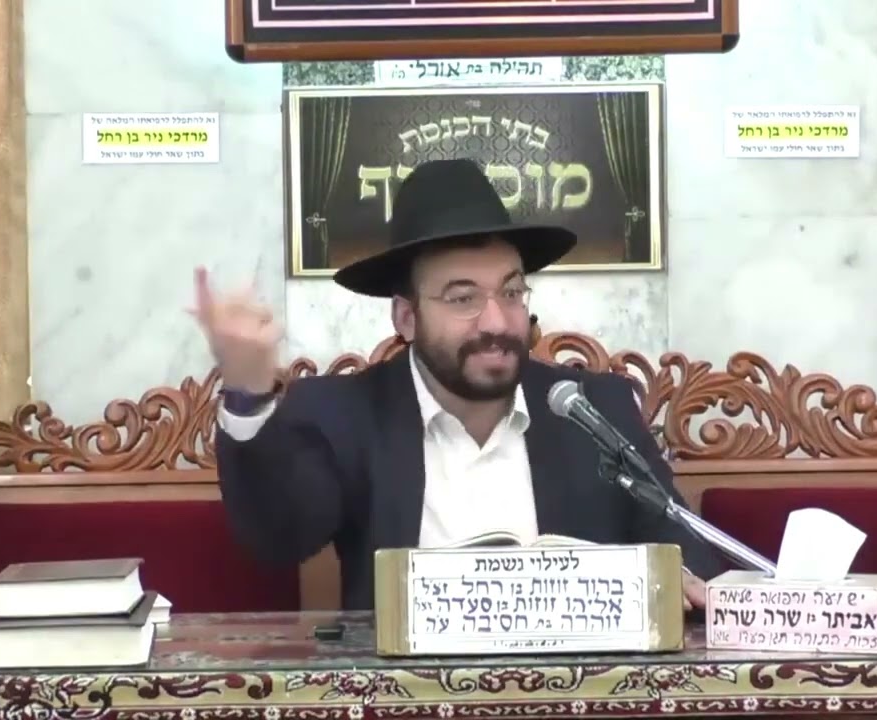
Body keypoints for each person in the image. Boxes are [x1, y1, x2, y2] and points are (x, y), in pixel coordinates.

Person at [193, 158, 723, 611]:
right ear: (407, 318)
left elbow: (689, 553)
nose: (496, 321)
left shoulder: (593, 409)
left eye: (511, 293)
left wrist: (667, 580)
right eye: (463, 298)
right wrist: (248, 391)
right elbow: (278, 538)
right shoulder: (346, 413)